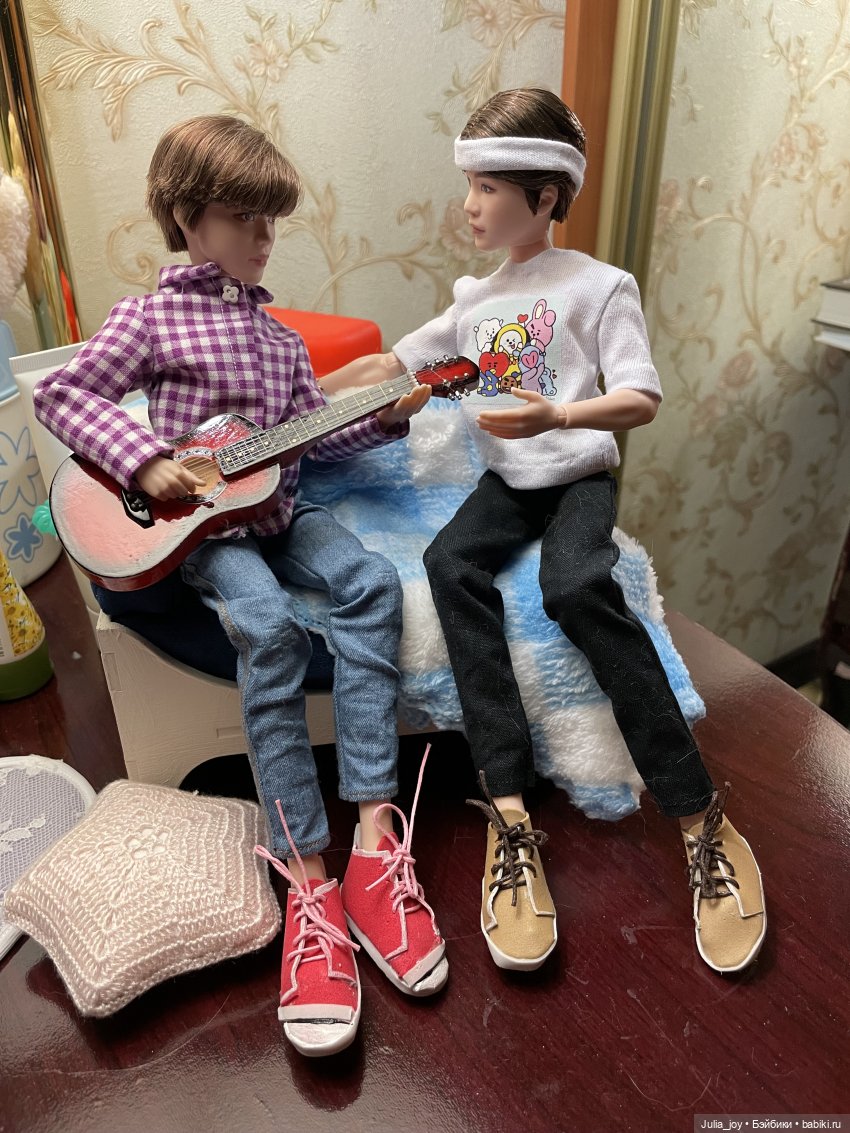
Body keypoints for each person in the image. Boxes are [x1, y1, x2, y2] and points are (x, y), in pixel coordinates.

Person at [321, 89, 766, 977]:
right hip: (506, 484)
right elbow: (394, 364)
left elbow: (641, 396)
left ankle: (698, 815)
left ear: (547, 195)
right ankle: (510, 807)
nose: (470, 205)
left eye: (489, 188)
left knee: (575, 584)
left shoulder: (600, 286)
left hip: (576, 478)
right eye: (470, 185)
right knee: (450, 563)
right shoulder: (475, 301)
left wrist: (558, 413)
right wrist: (293, 408)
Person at [33, 115, 447, 1056]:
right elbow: (65, 394)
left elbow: (309, 440)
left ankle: (375, 837)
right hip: (204, 530)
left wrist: (386, 416)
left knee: (371, 581)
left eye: (271, 222)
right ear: (188, 217)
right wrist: (144, 461)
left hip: (282, 510)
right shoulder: (150, 317)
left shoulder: (278, 338)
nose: (264, 239)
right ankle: (308, 874)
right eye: (242, 218)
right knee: (264, 621)